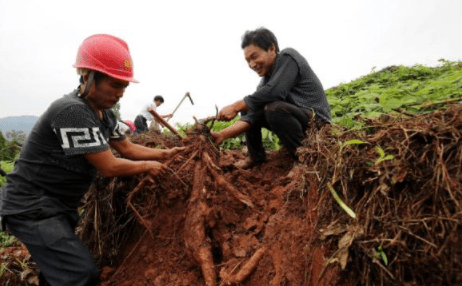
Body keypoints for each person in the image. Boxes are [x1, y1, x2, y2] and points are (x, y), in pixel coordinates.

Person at [0, 34, 184, 286]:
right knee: (80, 275)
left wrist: (165, 154)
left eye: (124, 87)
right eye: (114, 85)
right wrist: (150, 166)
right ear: (87, 75)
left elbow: (128, 148)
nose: (120, 93)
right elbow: (109, 166)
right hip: (32, 207)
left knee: (58, 273)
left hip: (57, 207)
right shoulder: (72, 111)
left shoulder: (105, 115)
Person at [211, 27, 331, 169]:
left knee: (273, 109)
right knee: (250, 108)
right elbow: (252, 117)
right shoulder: (265, 82)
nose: (251, 65)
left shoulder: (288, 57)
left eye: (254, 57)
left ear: (272, 49)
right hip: (297, 121)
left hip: (317, 123)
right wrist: (222, 135)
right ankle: (256, 158)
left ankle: (303, 160)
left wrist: (236, 106)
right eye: (247, 61)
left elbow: (275, 92)